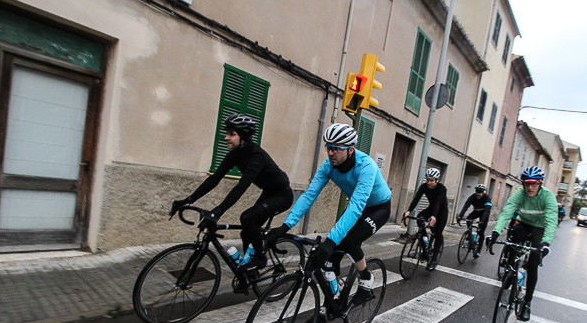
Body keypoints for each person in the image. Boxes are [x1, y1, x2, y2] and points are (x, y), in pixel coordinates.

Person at [266, 123, 391, 309]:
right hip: (357, 207)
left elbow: (357, 206)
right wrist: (285, 226)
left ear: (350, 150)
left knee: (347, 241)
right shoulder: (328, 166)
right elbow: (309, 195)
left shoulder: (367, 167)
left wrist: (331, 242)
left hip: (378, 208)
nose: (330, 153)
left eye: (336, 149)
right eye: (328, 148)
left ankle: (366, 279)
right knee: (331, 259)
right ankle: (332, 301)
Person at [169, 113, 293, 271]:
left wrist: (218, 211)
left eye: (232, 134)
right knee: (246, 232)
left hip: (282, 195)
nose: (226, 137)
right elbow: (215, 179)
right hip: (268, 192)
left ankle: (260, 259)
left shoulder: (257, 156)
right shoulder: (235, 154)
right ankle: (249, 269)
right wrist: (188, 200)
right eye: (227, 133)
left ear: (244, 137)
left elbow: (242, 186)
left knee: (247, 218)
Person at [486, 166, 558, 322]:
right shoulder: (519, 194)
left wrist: (546, 243)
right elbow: (506, 212)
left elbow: (552, 221)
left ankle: (527, 303)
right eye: (526, 184)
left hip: (540, 228)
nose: (530, 187)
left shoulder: (548, 197)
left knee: (533, 264)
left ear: (540, 184)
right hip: (524, 224)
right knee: (513, 241)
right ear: (523, 184)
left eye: (534, 184)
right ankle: (510, 271)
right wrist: (495, 232)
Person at [402, 168, 448, 270]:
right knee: (420, 218)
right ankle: (425, 246)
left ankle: (434, 259)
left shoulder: (442, 188)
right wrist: (408, 211)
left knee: (437, 233)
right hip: (431, 209)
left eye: (431, 180)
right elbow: (416, 198)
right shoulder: (424, 186)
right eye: (427, 180)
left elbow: (438, 203)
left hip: (441, 211)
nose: (428, 182)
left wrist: (434, 216)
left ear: (437, 180)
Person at [456, 183, 493, 258]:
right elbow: (466, 206)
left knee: (481, 231)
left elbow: (487, 210)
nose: (478, 194)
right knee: (469, 218)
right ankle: (470, 234)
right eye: (477, 192)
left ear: (483, 192)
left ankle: (478, 250)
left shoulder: (487, 198)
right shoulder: (472, 197)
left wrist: (482, 220)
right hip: (476, 211)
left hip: (484, 213)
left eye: (480, 192)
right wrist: (460, 216)